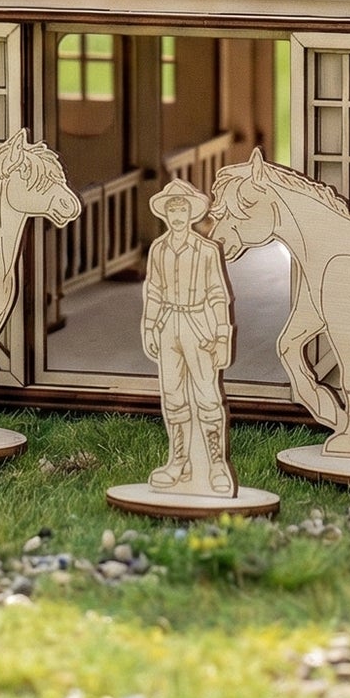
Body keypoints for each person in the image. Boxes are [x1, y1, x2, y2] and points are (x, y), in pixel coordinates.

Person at [140, 176, 234, 495]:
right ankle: (178, 460)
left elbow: (218, 294)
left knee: (208, 396)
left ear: (191, 214)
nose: (177, 215)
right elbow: (153, 289)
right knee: (173, 395)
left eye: (182, 209)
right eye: (172, 209)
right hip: (169, 326)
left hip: (198, 325)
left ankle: (217, 464)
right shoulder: (159, 250)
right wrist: (150, 326)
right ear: (165, 214)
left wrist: (223, 337)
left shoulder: (206, 250)